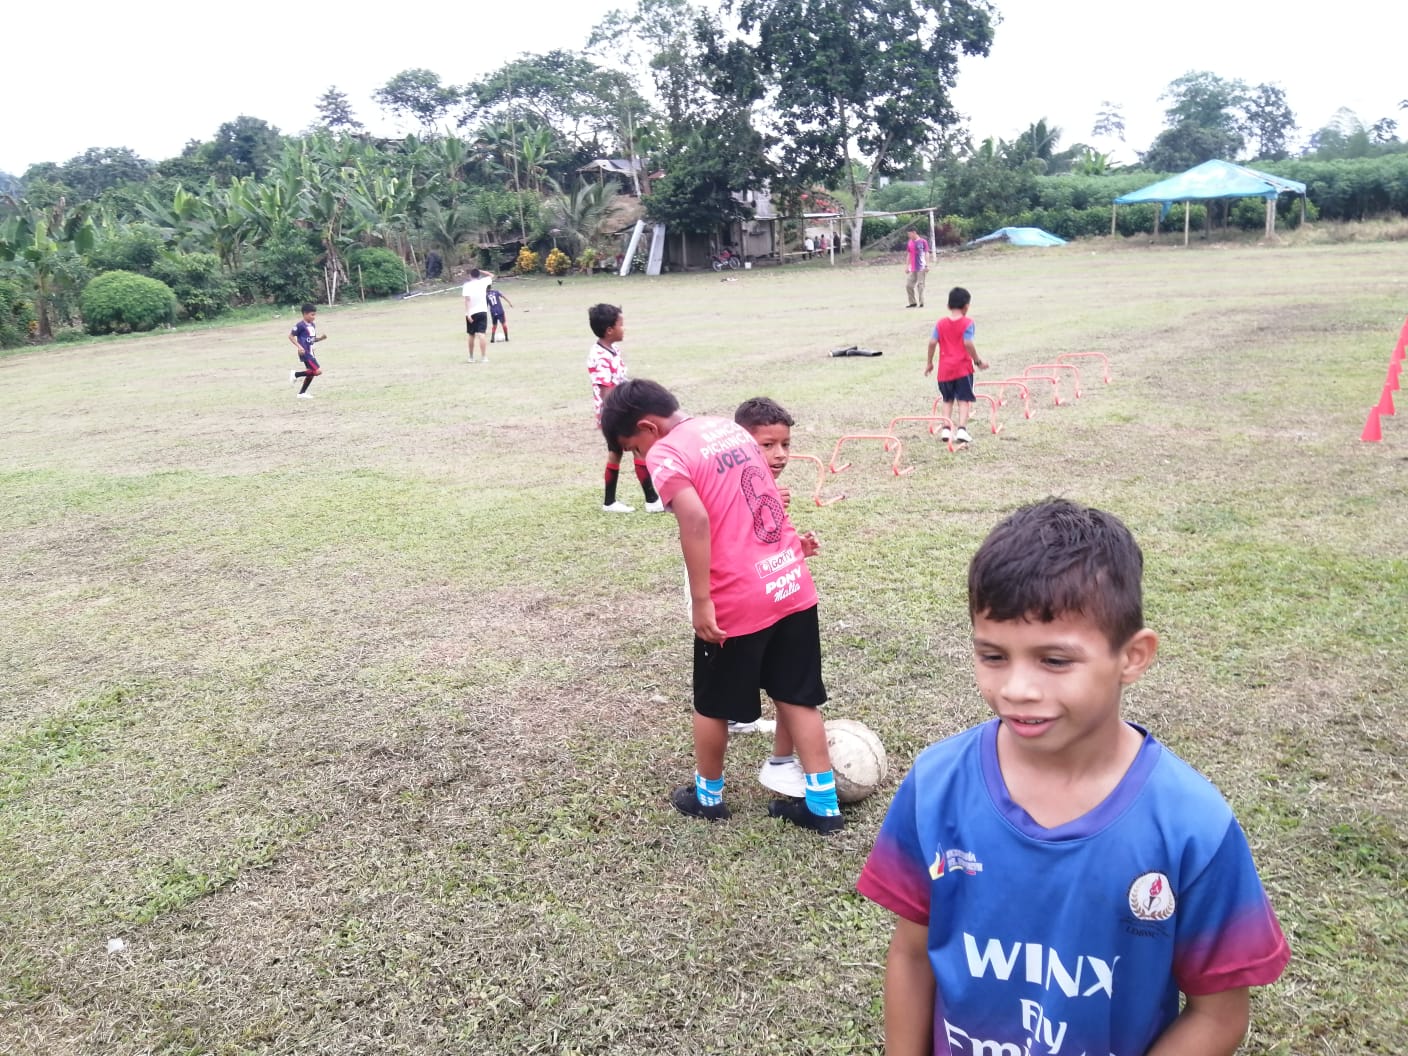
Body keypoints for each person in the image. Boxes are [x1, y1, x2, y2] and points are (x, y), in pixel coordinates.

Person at [857, 498, 1291, 1056]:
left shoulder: (1192, 825)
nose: (1017, 689)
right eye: (993, 656)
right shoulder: (936, 784)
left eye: (1055, 661)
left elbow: (1218, 1014)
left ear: (1133, 657)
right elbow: (912, 954)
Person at [600, 378, 845, 834]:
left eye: (634, 448)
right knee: (797, 694)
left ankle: (708, 798)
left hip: (738, 596)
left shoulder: (666, 452)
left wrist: (701, 601)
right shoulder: (728, 429)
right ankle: (823, 806)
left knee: (712, 703)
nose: (639, 458)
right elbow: (764, 497)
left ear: (647, 428)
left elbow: (694, 517)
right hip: (789, 582)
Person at [729, 397, 822, 796]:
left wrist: (797, 547)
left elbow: (768, 540)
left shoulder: (770, 487)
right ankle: (733, 715)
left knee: (787, 679)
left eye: (785, 444)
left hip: (775, 594)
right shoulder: (730, 486)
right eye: (767, 445)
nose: (780, 454)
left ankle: (780, 759)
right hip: (737, 599)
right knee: (735, 677)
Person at [587, 304, 663, 515]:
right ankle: (651, 500)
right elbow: (607, 392)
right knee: (638, 448)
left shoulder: (612, 351)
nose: (624, 328)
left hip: (616, 412)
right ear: (609, 330)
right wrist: (624, 412)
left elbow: (620, 380)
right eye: (621, 324)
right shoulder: (600, 356)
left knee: (616, 452)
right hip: (614, 413)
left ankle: (610, 502)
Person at [924, 286, 988, 447]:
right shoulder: (968, 323)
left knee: (947, 399)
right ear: (967, 306)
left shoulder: (940, 324)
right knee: (964, 399)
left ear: (948, 306)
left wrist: (929, 362)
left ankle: (946, 429)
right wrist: (978, 361)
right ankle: (962, 430)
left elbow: (932, 342)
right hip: (962, 369)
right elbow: (968, 343)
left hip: (944, 370)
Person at [288, 303, 326, 399]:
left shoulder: (312, 325)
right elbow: (291, 336)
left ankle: (301, 393)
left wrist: (321, 338)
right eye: (312, 314)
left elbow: (312, 339)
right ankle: (295, 374)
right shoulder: (300, 325)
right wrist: (299, 347)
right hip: (305, 352)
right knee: (318, 371)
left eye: (315, 314)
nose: (314, 317)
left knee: (311, 372)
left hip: (311, 352)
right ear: (305, 314)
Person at [462, 267, 494, 363]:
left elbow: (467, 300)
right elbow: (491, 275)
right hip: (482, 311)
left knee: (471, 334)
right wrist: (481, 271)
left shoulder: (466, 285)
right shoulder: (483, 282)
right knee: (481, 334)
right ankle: (484, 357)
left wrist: (468, 313)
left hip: (471, 312)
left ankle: (471, 357)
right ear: (479, 275)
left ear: (470, 275)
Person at [905, 228, 930, 308]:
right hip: (913, 268)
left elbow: (926, 253)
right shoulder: (910, 242)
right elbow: (909, 254)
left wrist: (927, 265)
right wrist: (907, 266)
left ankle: (921, 302)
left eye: (909, 234)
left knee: (920, 285)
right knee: (908, 285)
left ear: (914, 233)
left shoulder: (923, 241)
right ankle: (912, 303)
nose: (909, 236)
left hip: (921, 267)